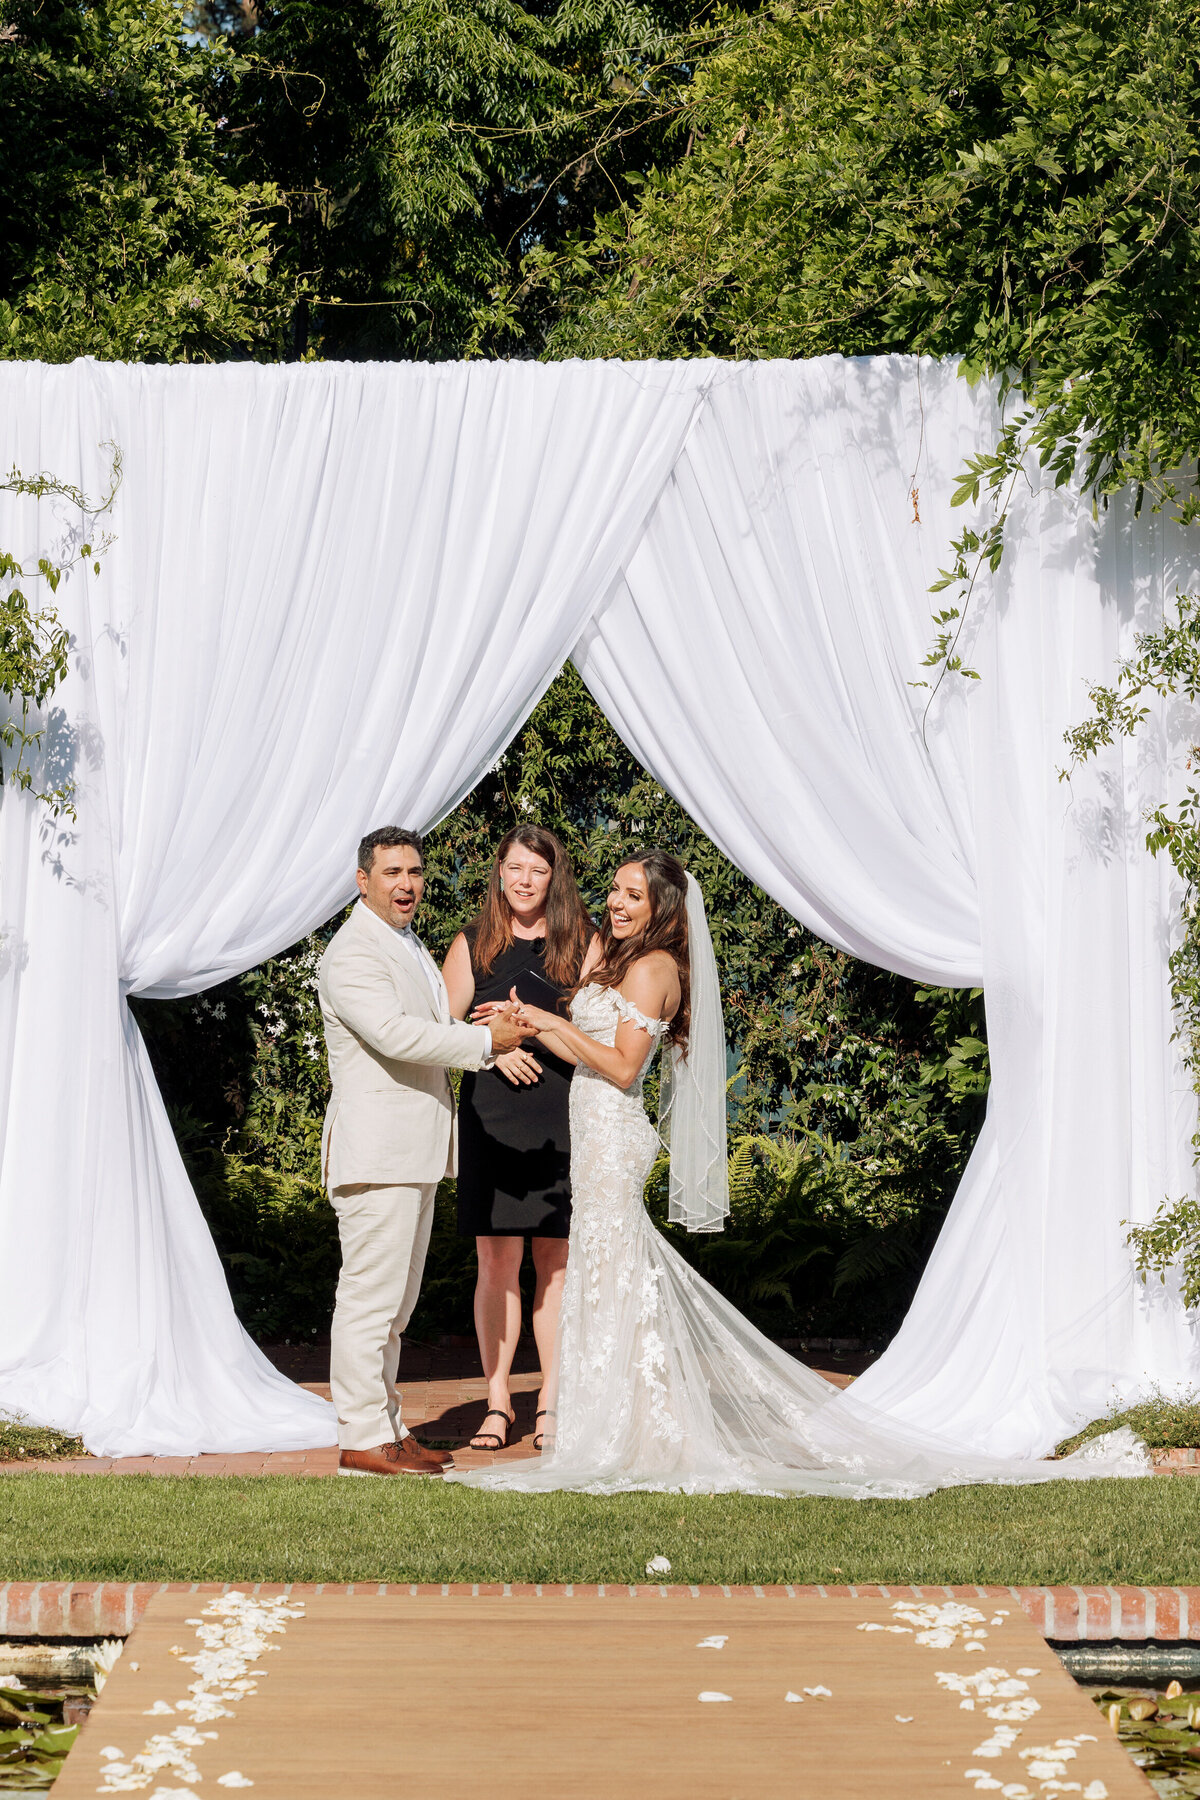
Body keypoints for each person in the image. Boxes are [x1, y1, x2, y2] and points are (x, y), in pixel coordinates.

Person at [449, 851, 1148, 1499]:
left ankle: (627, 1428)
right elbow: (592, 1039)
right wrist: (532, 1020)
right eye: (616, 890)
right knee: (605, 1270)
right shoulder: (622, 962)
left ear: (664, 909)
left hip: (613, 1134)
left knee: (612, 1264)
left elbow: (624, 1067)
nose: (617, 903)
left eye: (634, 895)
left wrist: (544, 1022)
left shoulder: (653, 966)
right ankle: (615, 1423)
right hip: (594, 1133)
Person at [318, 826, 528, 1478]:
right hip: (378, 1153)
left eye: (414, 872)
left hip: (411, 1151)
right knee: (370, 1302)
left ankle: (387, 1427)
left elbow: (429, 1027)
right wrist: (486, 1046)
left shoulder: (402, 944)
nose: (407, 884)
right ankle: (361, 1438)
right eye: (392, 873)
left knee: (396, 1305)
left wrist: (483, 1027)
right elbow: (392, 1034)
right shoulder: (352, 953)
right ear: (363, 880)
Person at [442, 826, 597, 1451]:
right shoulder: (471, 944)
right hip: (492, 1116)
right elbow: (440, 1034)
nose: (525, 879)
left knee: (556, 1265)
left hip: (561, 1112)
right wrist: (490, 1052)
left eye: (537, 868)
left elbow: (594, 1035)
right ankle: (499, 1401)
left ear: (553, 877)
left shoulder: (583, 944)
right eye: (514, 867)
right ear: (499, 874)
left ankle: (551, 1406)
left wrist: (526, 1029)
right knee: (496, 1261)